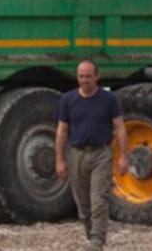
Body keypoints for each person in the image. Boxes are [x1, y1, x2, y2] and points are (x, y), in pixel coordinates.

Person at [54, 59, 128, 251]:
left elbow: (120, 128)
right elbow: (62, 131)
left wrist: (123, 157)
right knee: (83, 203)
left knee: (98, 200)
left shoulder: (109, 99)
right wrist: (60, 160)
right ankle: (91, 236)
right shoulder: (68, 100)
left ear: (97, 76)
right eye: (81, 76)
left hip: (101, 154)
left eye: (88, 76)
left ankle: (97, 241)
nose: (84, 80)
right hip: (76, 154)